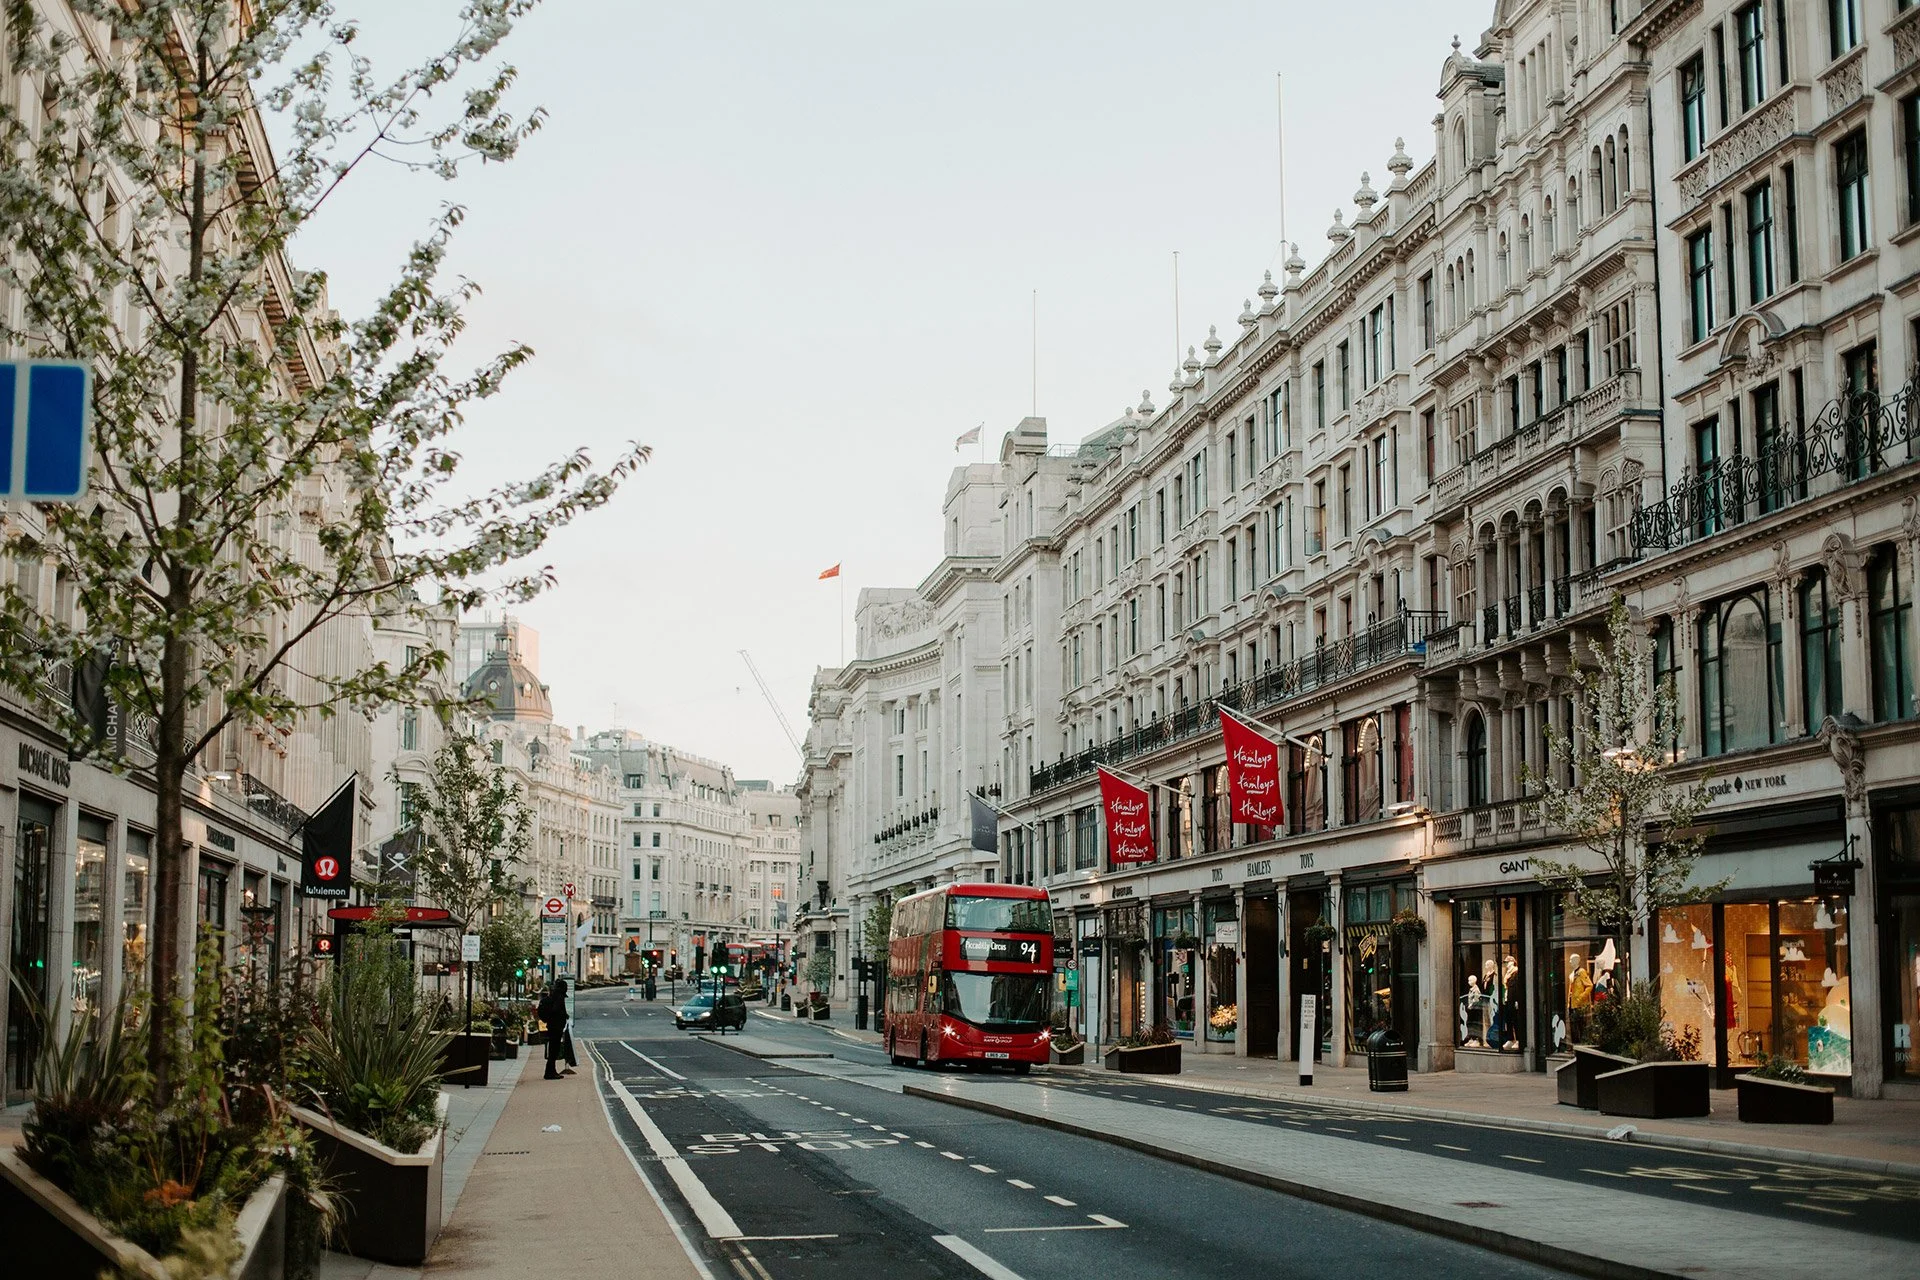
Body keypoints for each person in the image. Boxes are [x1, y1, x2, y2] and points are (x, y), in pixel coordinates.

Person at [539, 978, 570, 1080]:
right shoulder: (559, 997)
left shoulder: (553, 995)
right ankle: (550, 1072)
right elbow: (555, 1010)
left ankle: (551, 1071)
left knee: (553, 1050)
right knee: (554, 1050)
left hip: (552, 1026)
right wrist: (563, 1015)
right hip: (556, 1027)